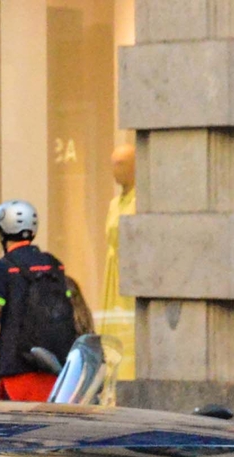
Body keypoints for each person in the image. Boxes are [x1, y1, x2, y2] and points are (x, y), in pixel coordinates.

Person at [0, 200, 80, 402]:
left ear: (2, 233)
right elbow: (73, 312)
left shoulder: (5, 267)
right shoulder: (54, 265)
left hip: (17, 372)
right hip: (55, 372)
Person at [99, 140, 136, 382]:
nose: (115, 169)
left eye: (120, 164)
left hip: (130, 273)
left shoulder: (139, 202)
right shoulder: (114, 204)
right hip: (112, 272)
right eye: (113, 164)